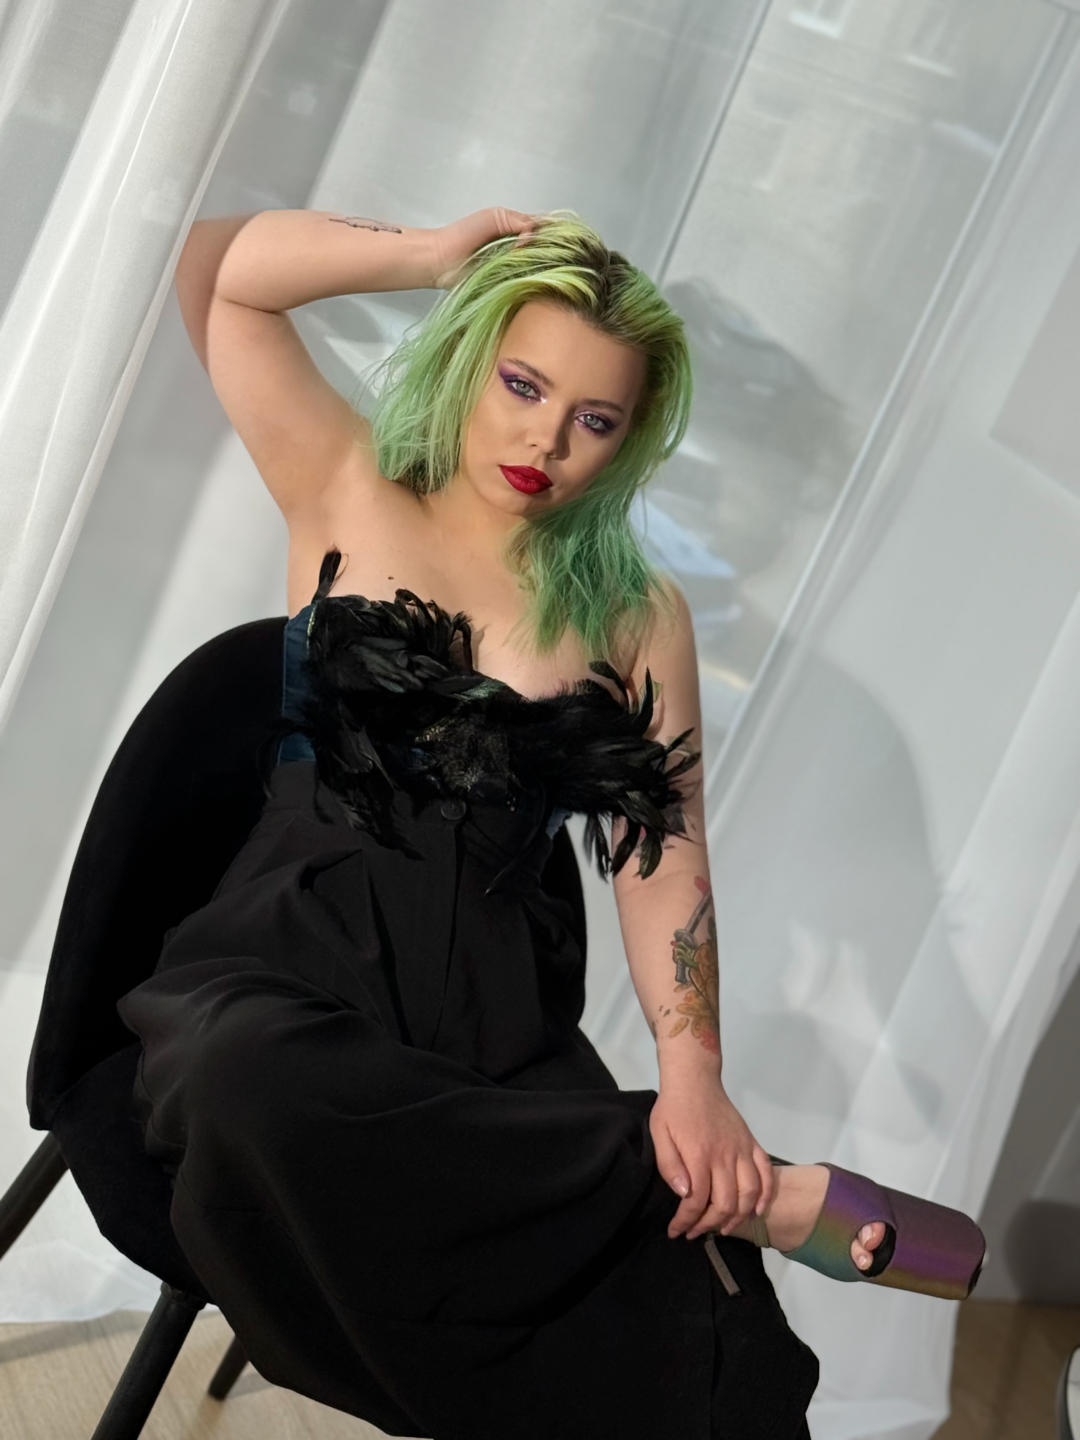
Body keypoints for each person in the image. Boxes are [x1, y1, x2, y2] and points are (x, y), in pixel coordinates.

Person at [116, 206, 983, 1440]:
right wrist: (434, 257)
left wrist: (695, 1082)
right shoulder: (347, 481)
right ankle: (764, 1200)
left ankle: (670, 1186)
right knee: (243, 1083)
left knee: (711, 1353)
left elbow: (663, 854)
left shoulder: (635, 610)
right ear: (472, 358)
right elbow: (223, 272)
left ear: (630, 441)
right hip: (286, 965)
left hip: (494, 1016)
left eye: (595, 419)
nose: (546, 440)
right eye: (523, 386)